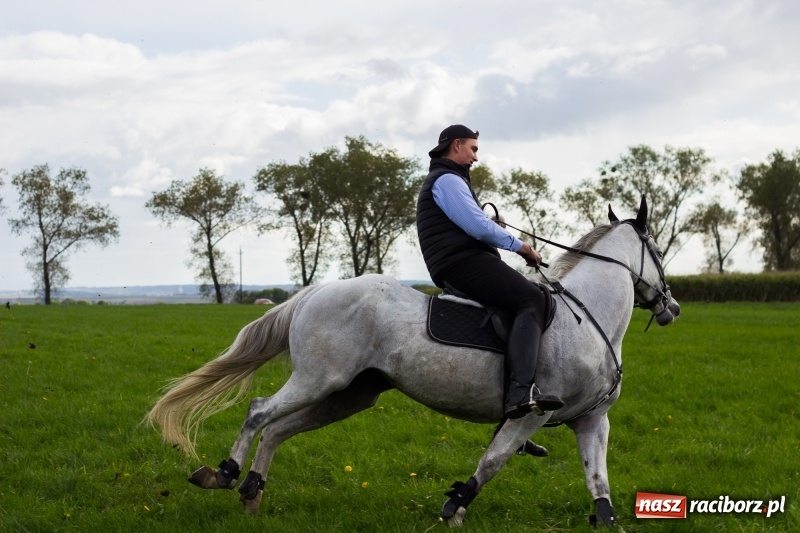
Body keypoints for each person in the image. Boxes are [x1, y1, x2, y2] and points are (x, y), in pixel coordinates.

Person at [416, 124, 564, 419]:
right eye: (473, 149)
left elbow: (473, 226)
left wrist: (495, 228)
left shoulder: (449, 179)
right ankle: (521, 392)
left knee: (518, 305)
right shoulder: (447, 180)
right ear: (456, 145)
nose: (476, 157)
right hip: (462, 262)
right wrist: (522, 247)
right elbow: (477, 228)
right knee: (533, 299)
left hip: (457, 261)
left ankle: (510, 411)